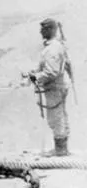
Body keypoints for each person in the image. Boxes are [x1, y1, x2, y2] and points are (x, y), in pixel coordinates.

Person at [25, 18, 72, 157]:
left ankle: (61, 150)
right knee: (60, 117)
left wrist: (36, 77)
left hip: (54, 88)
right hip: (58, 87)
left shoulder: (52, 49)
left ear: (51, 30)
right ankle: (62, 148)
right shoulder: (55, 46)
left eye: (43, 29)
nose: (40, 31)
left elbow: (51, 72)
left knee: (55, 118)